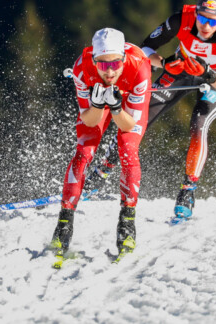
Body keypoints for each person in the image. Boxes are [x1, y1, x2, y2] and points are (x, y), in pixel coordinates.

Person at [86, 0, 216, 220]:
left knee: (199, 124)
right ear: (197, 11)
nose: (206, 25)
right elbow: (145, 48)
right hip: (180, 69)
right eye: (202, 18)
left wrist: (209, 75)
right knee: (139, 117)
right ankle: (101, 173)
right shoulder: (181, 19)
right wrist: (164, 63)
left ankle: (188, 191)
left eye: (213, 21)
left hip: (215, 76)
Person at [50, 28, 152, 260]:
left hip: (127, 100)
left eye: (115, 64)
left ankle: (127, 222)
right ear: (94, 60)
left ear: (124, 58)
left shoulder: (139, 67)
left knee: (127, 149)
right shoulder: (81, 69)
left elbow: (128, 126)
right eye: (103, 65)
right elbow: (89, 120)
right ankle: (64, 223)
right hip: (97, 100)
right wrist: (97, 105)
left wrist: (115, 107)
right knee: (84, 151)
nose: (110, 71)